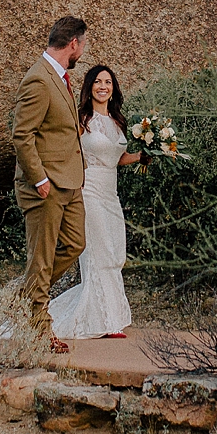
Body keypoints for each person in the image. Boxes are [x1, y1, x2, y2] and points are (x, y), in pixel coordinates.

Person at [48, 63, 144, 339]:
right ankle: (102, 321)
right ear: (89, 88)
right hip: (88, 191)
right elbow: (65, 148)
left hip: (110, 194)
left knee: (115, 253)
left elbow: (116, 158)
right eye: (98, 82)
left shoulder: (118, 120)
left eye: (108, 82)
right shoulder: (82, 119)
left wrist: (141, 156)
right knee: (98, 252)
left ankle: (109, 317)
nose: (103, 86)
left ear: (113, 89)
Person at [13, 16, 89, 352]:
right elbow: (22, 135)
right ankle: (40, 330)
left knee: (75, 244)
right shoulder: (39, 80)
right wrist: (39, 178)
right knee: (42, 258)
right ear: (73, 43)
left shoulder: (61, 78)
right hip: (45, 186)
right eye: (83, 44)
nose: (82, 50)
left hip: (70, 183)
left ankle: (25, 295)